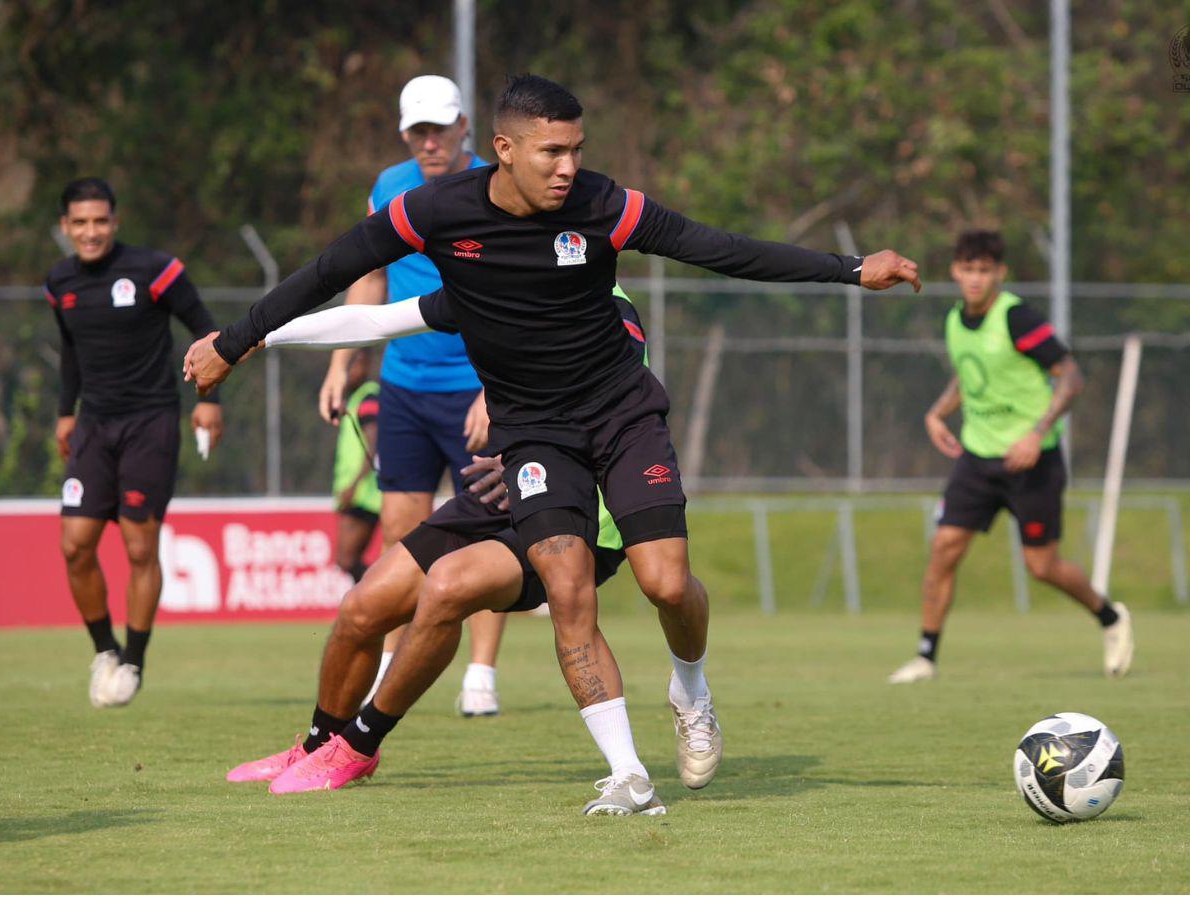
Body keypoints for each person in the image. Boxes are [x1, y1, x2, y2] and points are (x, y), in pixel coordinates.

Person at [186, 74, 920, 813]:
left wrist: (852, 269)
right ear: (503, 150)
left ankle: (687, 690)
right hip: (533, 442)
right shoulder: (435, 217)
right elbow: (341, 285)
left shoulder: (603, 209)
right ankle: (615, 774)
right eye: (551, 152)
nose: (568, 167)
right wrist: (241, 339)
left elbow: (720, 250)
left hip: (619, 424)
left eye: (576, 150)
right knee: (467, 600)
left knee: (662, 583)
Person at [229, 288, 666, 814]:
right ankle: (318, 743)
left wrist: (516, 424)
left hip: (580, 510)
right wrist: (255, 333)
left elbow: (600, 403)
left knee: (448, 585)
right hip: (508, 483)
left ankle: (360, 744)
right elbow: (376, 318)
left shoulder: (604, 303)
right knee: (364, 605)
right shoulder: (500, 272)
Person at [316, 74, 504, 717]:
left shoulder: (496, 185)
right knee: (400, 530)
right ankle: (393, 663)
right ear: (404, 133)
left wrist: (497, 389)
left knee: (487, 534)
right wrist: (344, 363)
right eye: (417, 131)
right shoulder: (389, 186)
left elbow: (515, 296)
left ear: (464, 128)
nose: (430, 142)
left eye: (440, 128)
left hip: (475, 386)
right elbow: (369, 275)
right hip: (404, 385)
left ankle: (481, 672)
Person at [887, 230, 1134, 684]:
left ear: (1000, 273)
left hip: (1031, 461)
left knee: (1042, 566)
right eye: (968, 269)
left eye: (985, 270)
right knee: (943, 549)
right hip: (978, 459)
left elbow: (1072, 376)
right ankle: (926, 656)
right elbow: (971, 377)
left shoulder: (1017, 317)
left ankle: (1110, 618)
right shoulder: (955, 320)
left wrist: (1035, 435)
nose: (976, 279)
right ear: (955, 271)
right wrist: (937, 413)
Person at [48, 176, 223, 708]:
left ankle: (134, 662)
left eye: (100, 220)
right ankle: (105, 650)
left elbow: (206, 328)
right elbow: (71, 352)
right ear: (65, 227)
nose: (91, 231)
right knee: (75, 544)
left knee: (139, 546)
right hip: (94, 426)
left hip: (151, 423)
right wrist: (63, 413)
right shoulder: (59, 283)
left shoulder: (155, 270)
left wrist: (209, 400)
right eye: (80, 222)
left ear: (115, 222)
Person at [330, 348, 380, 584]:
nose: (349, 372)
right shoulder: (355, 399)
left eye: (355, 364)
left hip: (365, 494)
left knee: (347, 560)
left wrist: (354, 484)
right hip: (358, 493)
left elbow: (373, 443)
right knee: (347, 560)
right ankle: (372, 608)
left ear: (366, 365)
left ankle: (381, 599)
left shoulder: (368, 398)